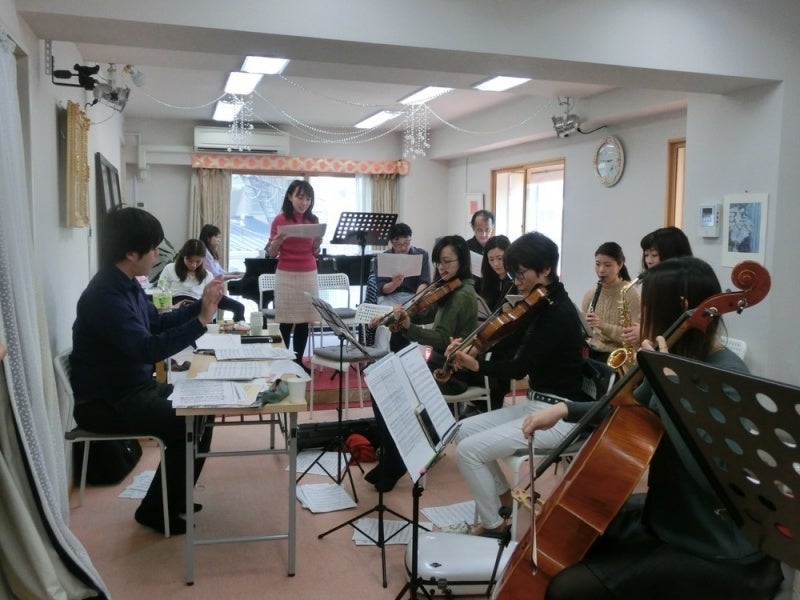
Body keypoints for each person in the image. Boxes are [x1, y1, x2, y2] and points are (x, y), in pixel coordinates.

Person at [522, 256, 783, 600]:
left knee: (567, 590)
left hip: (713, 542)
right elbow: (629, 406)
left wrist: (667, 385)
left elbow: (715, 480)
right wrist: (565, 409)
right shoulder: (674, 357)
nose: (641, 321)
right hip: (669, 515)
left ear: (680, 308)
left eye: (647, 310)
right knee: (575, 535)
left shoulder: (727, 375)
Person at [70, 207, 223, 535]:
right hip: (106, 403)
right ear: (131, 252)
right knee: (185, 422)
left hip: (132, 388)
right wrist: (200, 321)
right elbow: (148, 349)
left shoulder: (126, 284)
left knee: (203, 409)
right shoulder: (105, 297)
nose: (157, 253)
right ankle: (155, 512)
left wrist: (202, 306)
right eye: (153, 247)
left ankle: (174, 498)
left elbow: (156, 322)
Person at [446, 231, 591, 536]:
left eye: (521, 273)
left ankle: (494, 526)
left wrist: (477, 365)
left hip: (558, 416)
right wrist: (475, 345)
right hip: (536, 403)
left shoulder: (558, 312)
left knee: (469, 451)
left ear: (546, 269)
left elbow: (518, 368)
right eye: (513, 274)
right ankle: (503, 501)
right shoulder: (540, 303)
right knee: (462, 431)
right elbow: (509, 340)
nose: (517, 281)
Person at [366, 234, 478, 492]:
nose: (441, 267)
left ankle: (396, 457)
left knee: (388, 389)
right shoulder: (449, 288)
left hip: (451, 373)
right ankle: (395, 454)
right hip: (436, 367)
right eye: (439, 262)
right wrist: (392, 317)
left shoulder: (462, 294)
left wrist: (408, 327)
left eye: (448, 262)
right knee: (380, 384)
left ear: (462, 261)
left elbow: (441, 338)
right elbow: (425, 312)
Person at [265, 180, 322, 373]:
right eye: (300, 197)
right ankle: (283, 361)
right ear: (290, 196)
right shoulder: (279, 220)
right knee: (286, 320)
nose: (304, 202)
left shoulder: (313, 220)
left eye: (308, 199)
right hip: (286, 275)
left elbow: (314, 252)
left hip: (308, 274)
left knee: (304, 320)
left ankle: (298, 362)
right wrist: (276, 242)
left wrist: (318, 243)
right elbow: (271, 254)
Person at [623, 226, 693, 346]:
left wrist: (645, 333)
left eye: (654, 255)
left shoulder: (686, 286)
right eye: (646, 255)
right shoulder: (653, 282)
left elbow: (681, 330)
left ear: (672, 256)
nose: (648, 261)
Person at [474, 234, 520, 412]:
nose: (496, 264)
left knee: (495, 353)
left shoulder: (516, 282)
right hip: (487, 333)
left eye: (500, 258)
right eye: (491, 259)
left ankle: (491, 401)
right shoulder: (485, 282)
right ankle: (479, 399)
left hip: (508, 338)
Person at [375, 223, 431, 352]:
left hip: (413, 295)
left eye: (406, 243)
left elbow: (424, 282)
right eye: (398, 244)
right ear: (391, 243)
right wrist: (394, 284)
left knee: (413, 315)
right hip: (390, 296)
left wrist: (416, 300)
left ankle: (412, 353)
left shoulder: (421, 254)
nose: (403, 248)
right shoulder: (383, 258)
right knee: (389, 318)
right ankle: (387, 353)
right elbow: (382, 288)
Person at [582, 241, 640, 364]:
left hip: (619, 356)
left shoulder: (630, 294)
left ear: (620, 265)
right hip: (593, 351)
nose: (601, 270)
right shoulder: (590, 294)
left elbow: (632, 337)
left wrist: (603, 325)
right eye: (597, 264)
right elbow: (585, 332)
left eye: (607, 265)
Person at [466, 209, 495, 292]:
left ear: (492, 227)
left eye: (487, 229)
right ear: (473, 228)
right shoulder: (465, 247)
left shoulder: (497, 246)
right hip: (472, 290)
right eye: (479, 230)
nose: (484, 234)